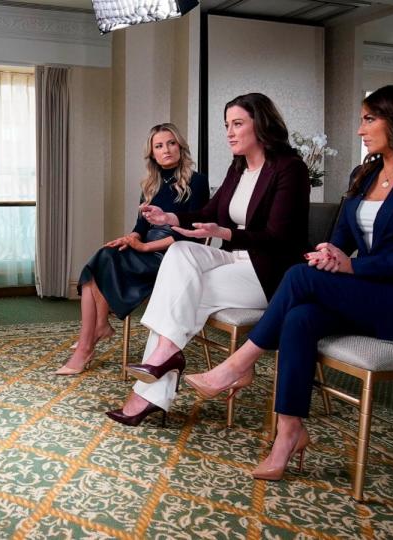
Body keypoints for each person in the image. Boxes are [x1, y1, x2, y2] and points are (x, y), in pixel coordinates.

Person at [184, 82, 393, 481]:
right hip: (373, 297)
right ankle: (289, 433)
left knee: (298, 277)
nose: (360, 130)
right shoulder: (365, 173)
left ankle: (238, 365)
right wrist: (330, 250)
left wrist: (351, 268)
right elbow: (343, 236)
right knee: (300, 319)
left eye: (369, 119)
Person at [107, 93, 310, 426]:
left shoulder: (290, 169)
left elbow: (280, 238)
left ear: (261, 124)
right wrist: (170, 219)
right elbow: (207, 214)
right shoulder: (239, 168)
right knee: (180, 251)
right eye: (226, 125)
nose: (229, 132)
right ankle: (164, 359)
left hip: (267, 272)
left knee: (184, 293)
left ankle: (148, 389)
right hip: (234, 261)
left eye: (238, 124)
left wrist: (227, 234)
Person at [55, 123, 210, 375]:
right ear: (152, 153)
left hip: (174, 257)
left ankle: (88, 344)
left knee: (102, 263)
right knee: (104, 255)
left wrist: (145, 246)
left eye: (171, 143)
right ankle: (96, 331)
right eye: (159, 146)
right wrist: (129, 238)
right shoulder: (150, 184)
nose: (166, 150)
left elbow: (191, 236)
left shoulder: (197, 181)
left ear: (180, 146)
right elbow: (140, 225)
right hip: (146, 248)